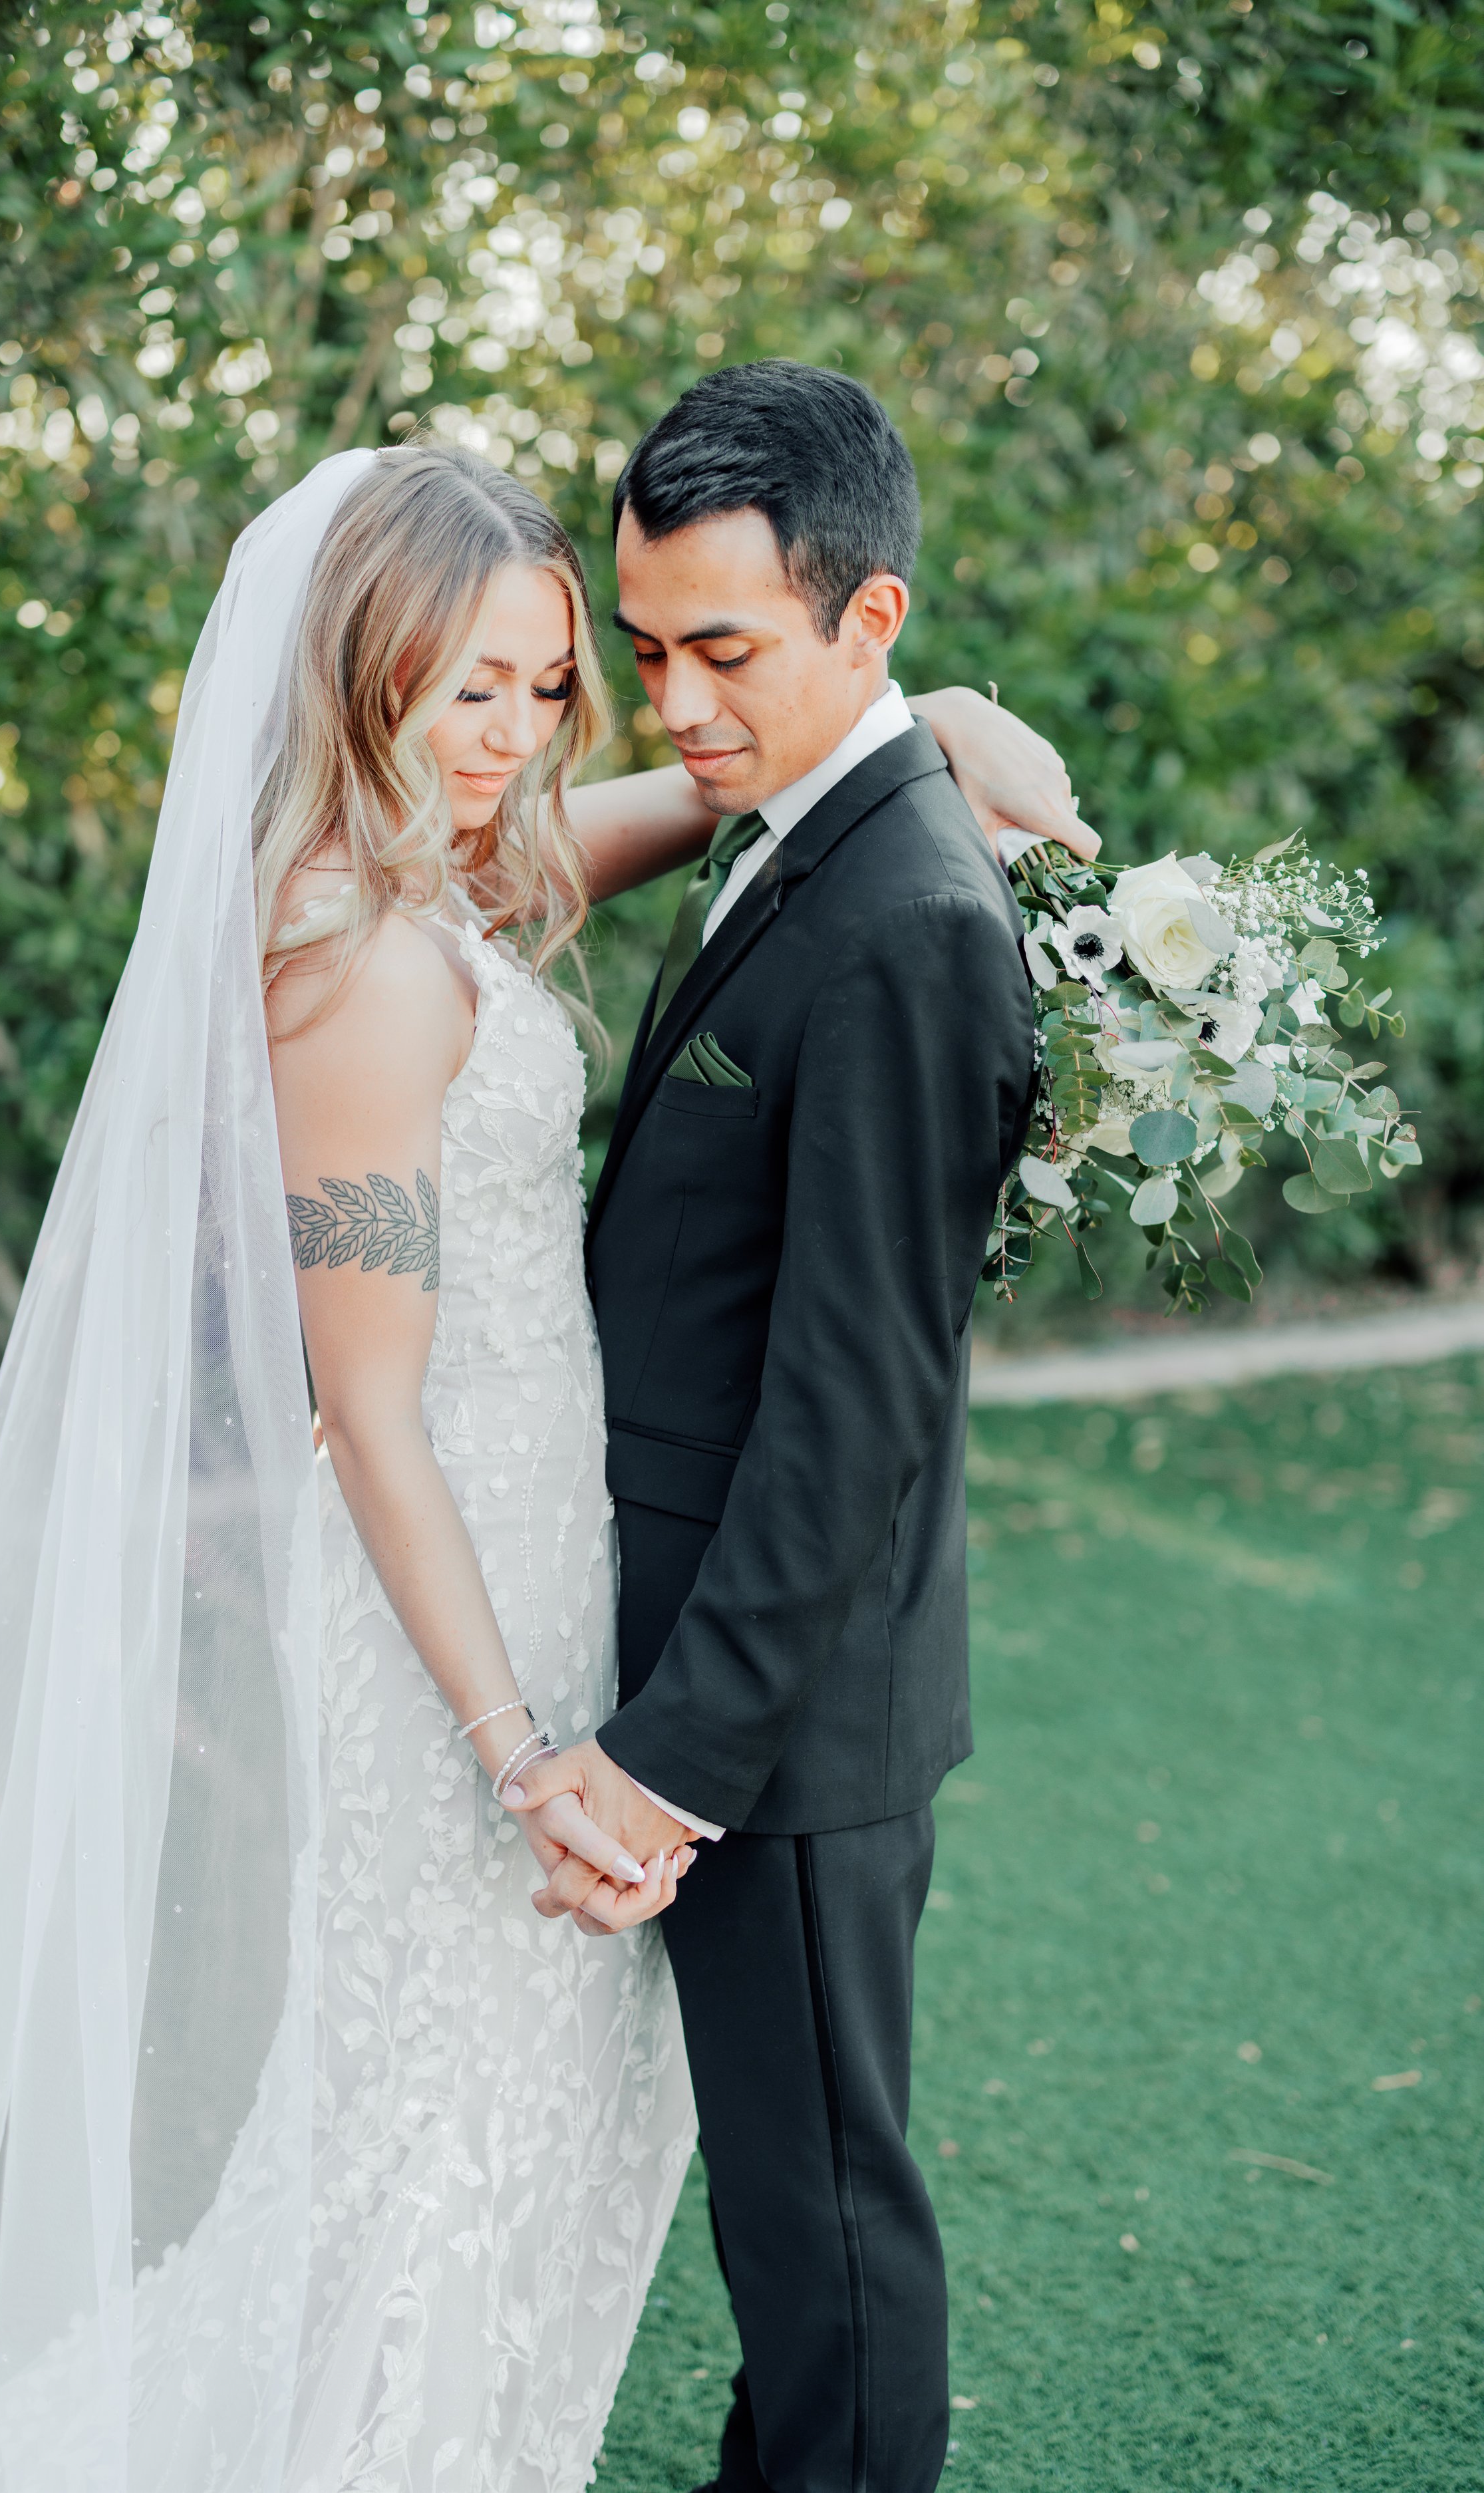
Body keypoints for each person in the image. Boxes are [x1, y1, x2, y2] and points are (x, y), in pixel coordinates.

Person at [0, 434, 1087, 2493]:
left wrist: (906, 720)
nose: (514, 734)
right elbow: (367, 1409)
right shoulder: (352, 961)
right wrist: (512, 1743)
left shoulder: (446, 865)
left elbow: (665, 810)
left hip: (560, 1560)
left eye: (543, 683)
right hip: (452, 1624)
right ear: (362, 677)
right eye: (462, 687)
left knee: (522, 2150)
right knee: (427, 2161)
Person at [510, 363, 1049, 2493]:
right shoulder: (798, 832)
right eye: (646, 652)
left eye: (722, 650)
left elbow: (855, 1411)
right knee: (776, 2204)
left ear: (868, 620)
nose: (675, 703)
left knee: (824, 2222)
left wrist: (670, 1758)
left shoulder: (913, 921)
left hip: (786, 1714)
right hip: (727, 1661)